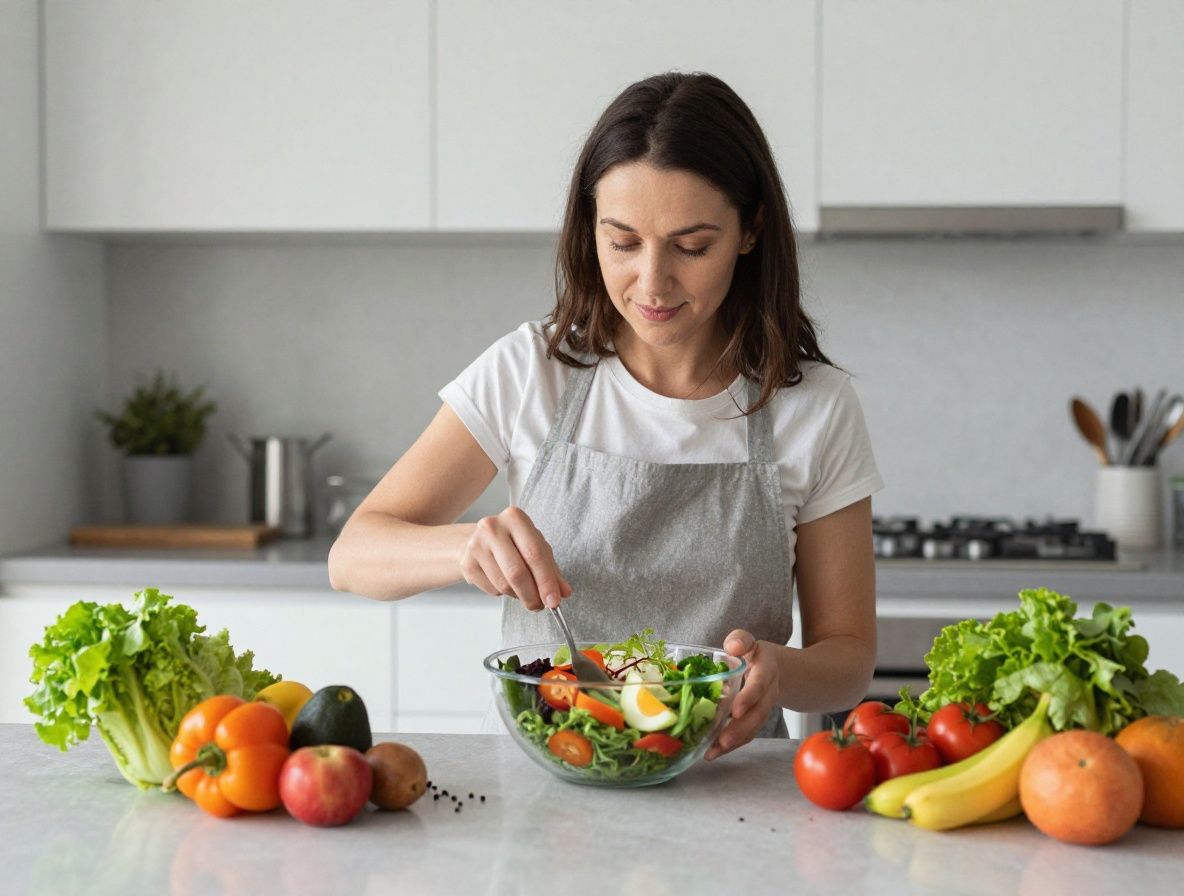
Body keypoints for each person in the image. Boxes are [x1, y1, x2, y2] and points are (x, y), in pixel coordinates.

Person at [328, 71, 881, 757]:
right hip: (545, 783)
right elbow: (352, 556)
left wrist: (781, 673)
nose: (652, 283)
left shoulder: (814, 408)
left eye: (691, 246)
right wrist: (463, 547)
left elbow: (849, 657)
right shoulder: (532, 372)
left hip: (728, 789)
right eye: (622, 242)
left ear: (751, 230)